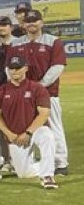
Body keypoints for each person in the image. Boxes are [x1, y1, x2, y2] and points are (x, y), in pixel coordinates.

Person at [0, 55, 58, 189]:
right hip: (14, 135)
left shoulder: (37, 88)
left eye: (18, 68)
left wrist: (28, 133)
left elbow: (44, 113)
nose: (15, 71)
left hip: (35, 131)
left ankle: (48, 175)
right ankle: (42, 163)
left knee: (47, 136)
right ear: (8, 70)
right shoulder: (0, 91)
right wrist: (9, 134)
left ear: (25, 68)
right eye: (12, 68)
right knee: (23, 173)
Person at [16, 9, 69, 175]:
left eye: (35, 20)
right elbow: (9, 68)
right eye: (28, 21)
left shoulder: (53, 41)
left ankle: (60, 163)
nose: (32, 23)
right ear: (23, 25)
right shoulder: (16, 44)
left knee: (54, 127)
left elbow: (57, 67)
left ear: (42, 22)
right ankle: (29, 160)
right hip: (23, 95)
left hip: (48, 93)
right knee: (25, 126)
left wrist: (39, 85)